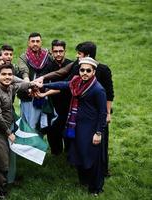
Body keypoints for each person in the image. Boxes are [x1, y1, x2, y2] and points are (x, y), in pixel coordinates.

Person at [35, 41, 114, 176]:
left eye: (79, 54)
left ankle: (102, 170)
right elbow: (68, 83)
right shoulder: (79, 67)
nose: (77, 56)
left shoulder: (103, 70)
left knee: (100, 142)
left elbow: (109, 94)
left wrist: (107, 113)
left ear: (87, 55)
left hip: (98, 113)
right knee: (83, 141)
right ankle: (83, 168)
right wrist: (44, 87)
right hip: (81, 113)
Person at [38, 57, 107, 196]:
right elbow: (63, 84)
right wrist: (44, 85)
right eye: (82, 70)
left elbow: (103, 113)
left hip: (91, 128)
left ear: (94, 72)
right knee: (79, 154)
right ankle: (85, 181)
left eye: (88, 70)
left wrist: (98, 133)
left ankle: (96, 187)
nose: (85, 73)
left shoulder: (98, 89)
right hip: (77, 126)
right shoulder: (77, 82)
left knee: (92, 157)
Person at [0, 63, 37, 199]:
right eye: (4, 74)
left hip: (5, 129)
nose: (7, 77)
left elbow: (21, 85)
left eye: (9, 74)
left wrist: (33, 84)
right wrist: (9, 133)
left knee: (1, 162)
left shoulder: (10, 87)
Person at [17, 32, 55, 131]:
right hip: (29, 96)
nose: (35, 44)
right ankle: (30, 145)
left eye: (37, 41)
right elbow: (24, 71)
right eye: (32, 41)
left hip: (45, 94)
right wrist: (29, 86)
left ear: (41, 42)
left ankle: (39, 144)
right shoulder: (24, 57)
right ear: (28, 43)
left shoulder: (47, 56)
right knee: (30, 124)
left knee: (43, 124)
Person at [46, 39, 73, 155]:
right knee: (52, 130)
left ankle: (69, 152)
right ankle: (56, 152)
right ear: (51, 52)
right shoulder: (48, 66)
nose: (58, 54)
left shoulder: (71, 65)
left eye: (60, 51)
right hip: (53, 103)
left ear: (65, 51)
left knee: (68, 129)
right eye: (55, 51)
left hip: (69, 103)